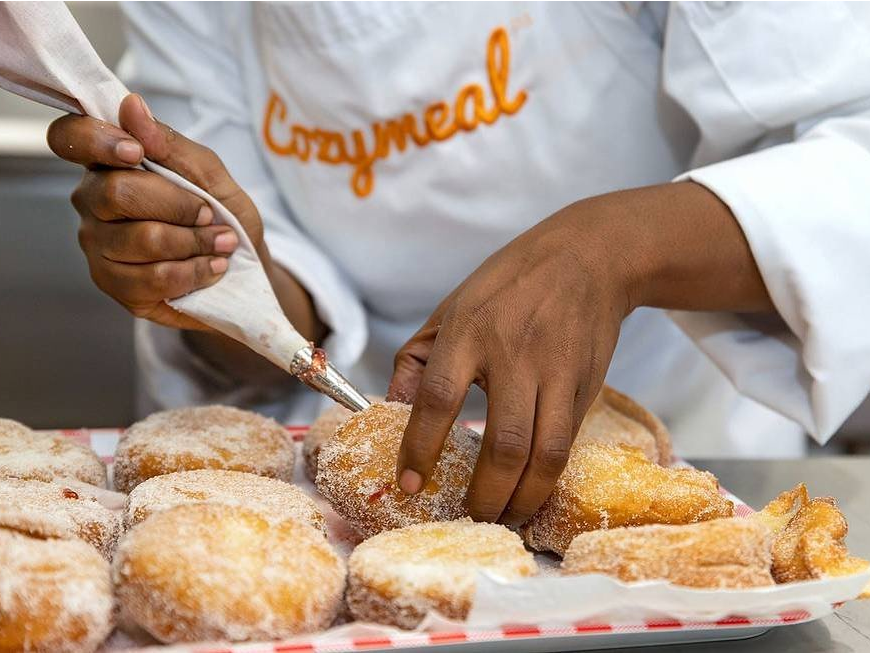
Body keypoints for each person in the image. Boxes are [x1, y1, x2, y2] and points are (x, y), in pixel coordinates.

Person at [47, 1, 870, 526]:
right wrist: (224, 278)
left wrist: (617, 247)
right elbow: (265, 291)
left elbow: (847, 148)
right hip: (350, 477)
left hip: (686, 454)